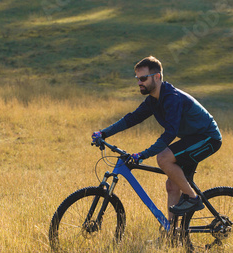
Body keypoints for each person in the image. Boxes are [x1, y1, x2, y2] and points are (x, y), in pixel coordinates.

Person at [92, 56, 222, 218]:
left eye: (143, 78)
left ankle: (193, 198)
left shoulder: (171, 98)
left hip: (207, 138)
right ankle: (172, 234)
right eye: (138, 79)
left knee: (164, 158)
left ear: (157, 77)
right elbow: (131, 119)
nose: (139, 82)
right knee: (172, 186)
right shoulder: (153, 100)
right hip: (192, 139)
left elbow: (170, 133)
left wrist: (143, 155)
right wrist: (103, 133)